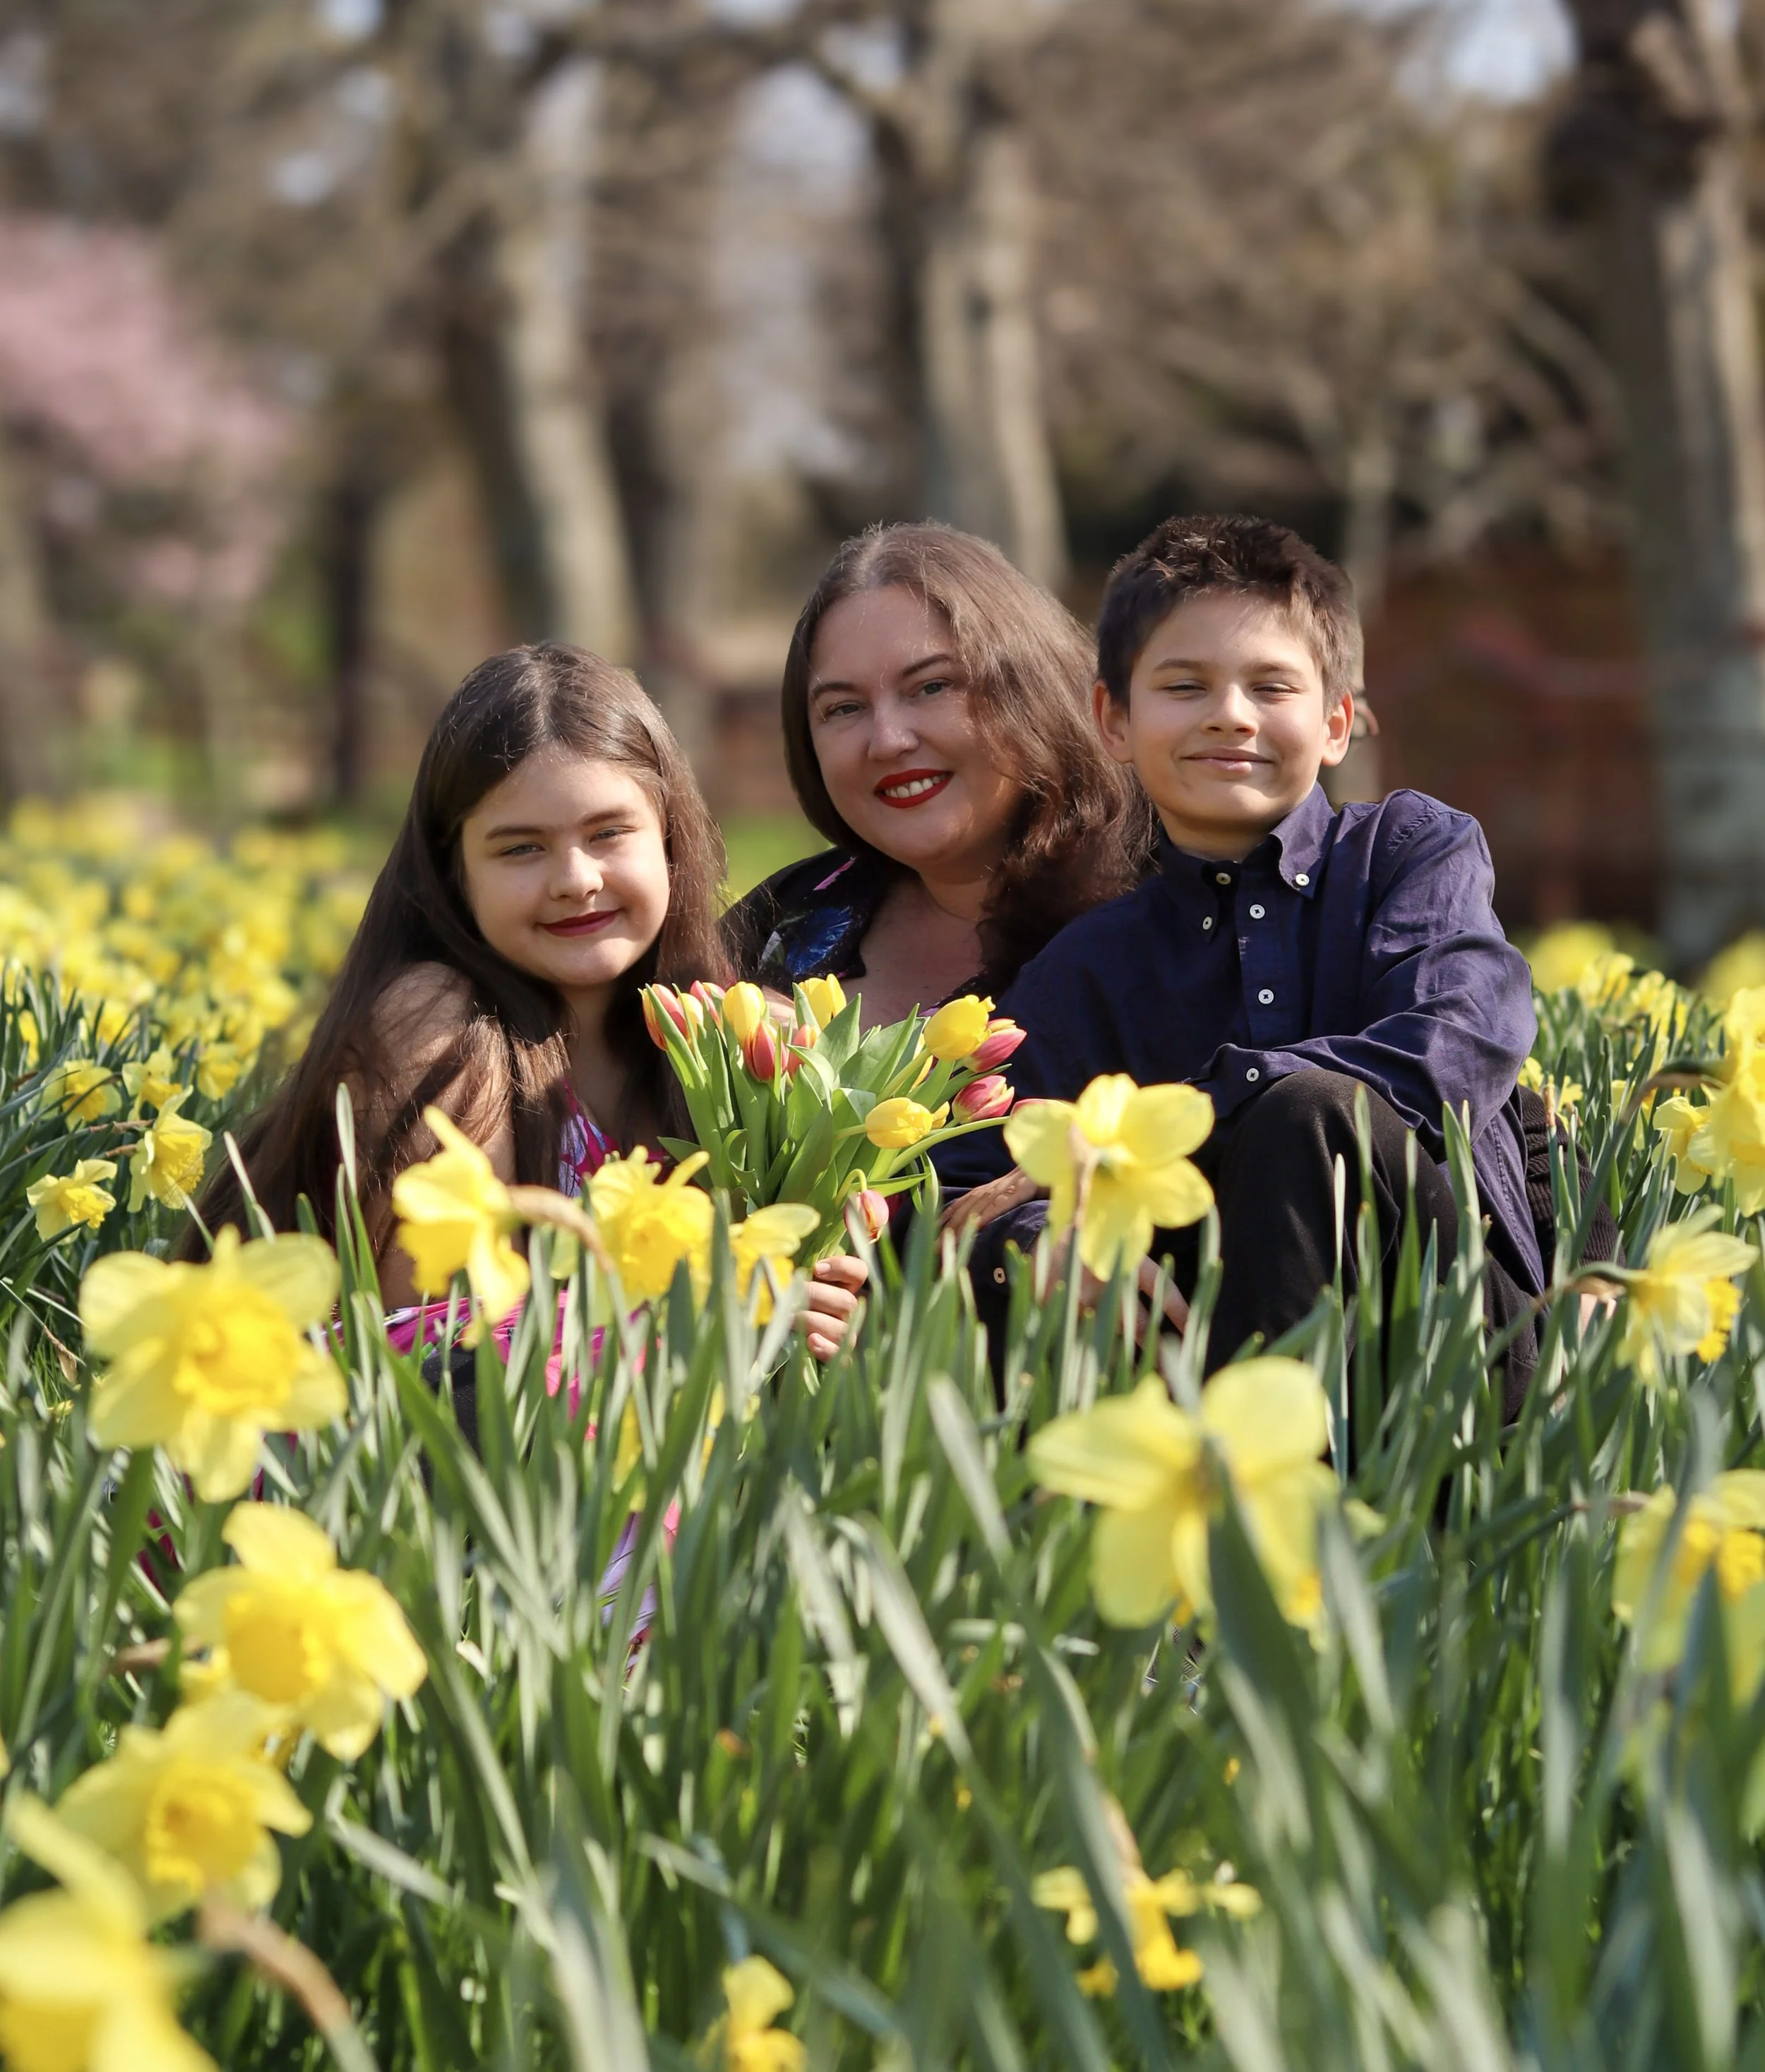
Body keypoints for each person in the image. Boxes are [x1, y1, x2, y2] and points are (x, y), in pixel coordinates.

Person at [945, 513, 1613, 1406]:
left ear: (1336, 723)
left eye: (1271, 686)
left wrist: (1182, 1116)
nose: (1230, 715)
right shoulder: (1088, 967)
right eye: (1184, 685)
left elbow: (1453, 1044)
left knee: (1308, 1115)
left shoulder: (1409, 854)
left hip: (1457, 1352)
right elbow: (982, 1179)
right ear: (1113, 719)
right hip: (1188, 1352)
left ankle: (1263, 1503)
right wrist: (1032, 1240)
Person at [191, 642, 864, 1357]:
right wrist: (709, 1319)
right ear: (456, 875)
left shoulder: (728, 1040)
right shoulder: (440, 1025)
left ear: (669, 839)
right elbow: (438, 1354)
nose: (574, 878)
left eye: (608, 832)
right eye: (520, 849)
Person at [722, 522, 1155, 1019]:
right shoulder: (782, 923)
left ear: (1034, 687)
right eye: (844, 708)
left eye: (932, 687)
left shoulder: (1171, 911)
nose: (888, 741)